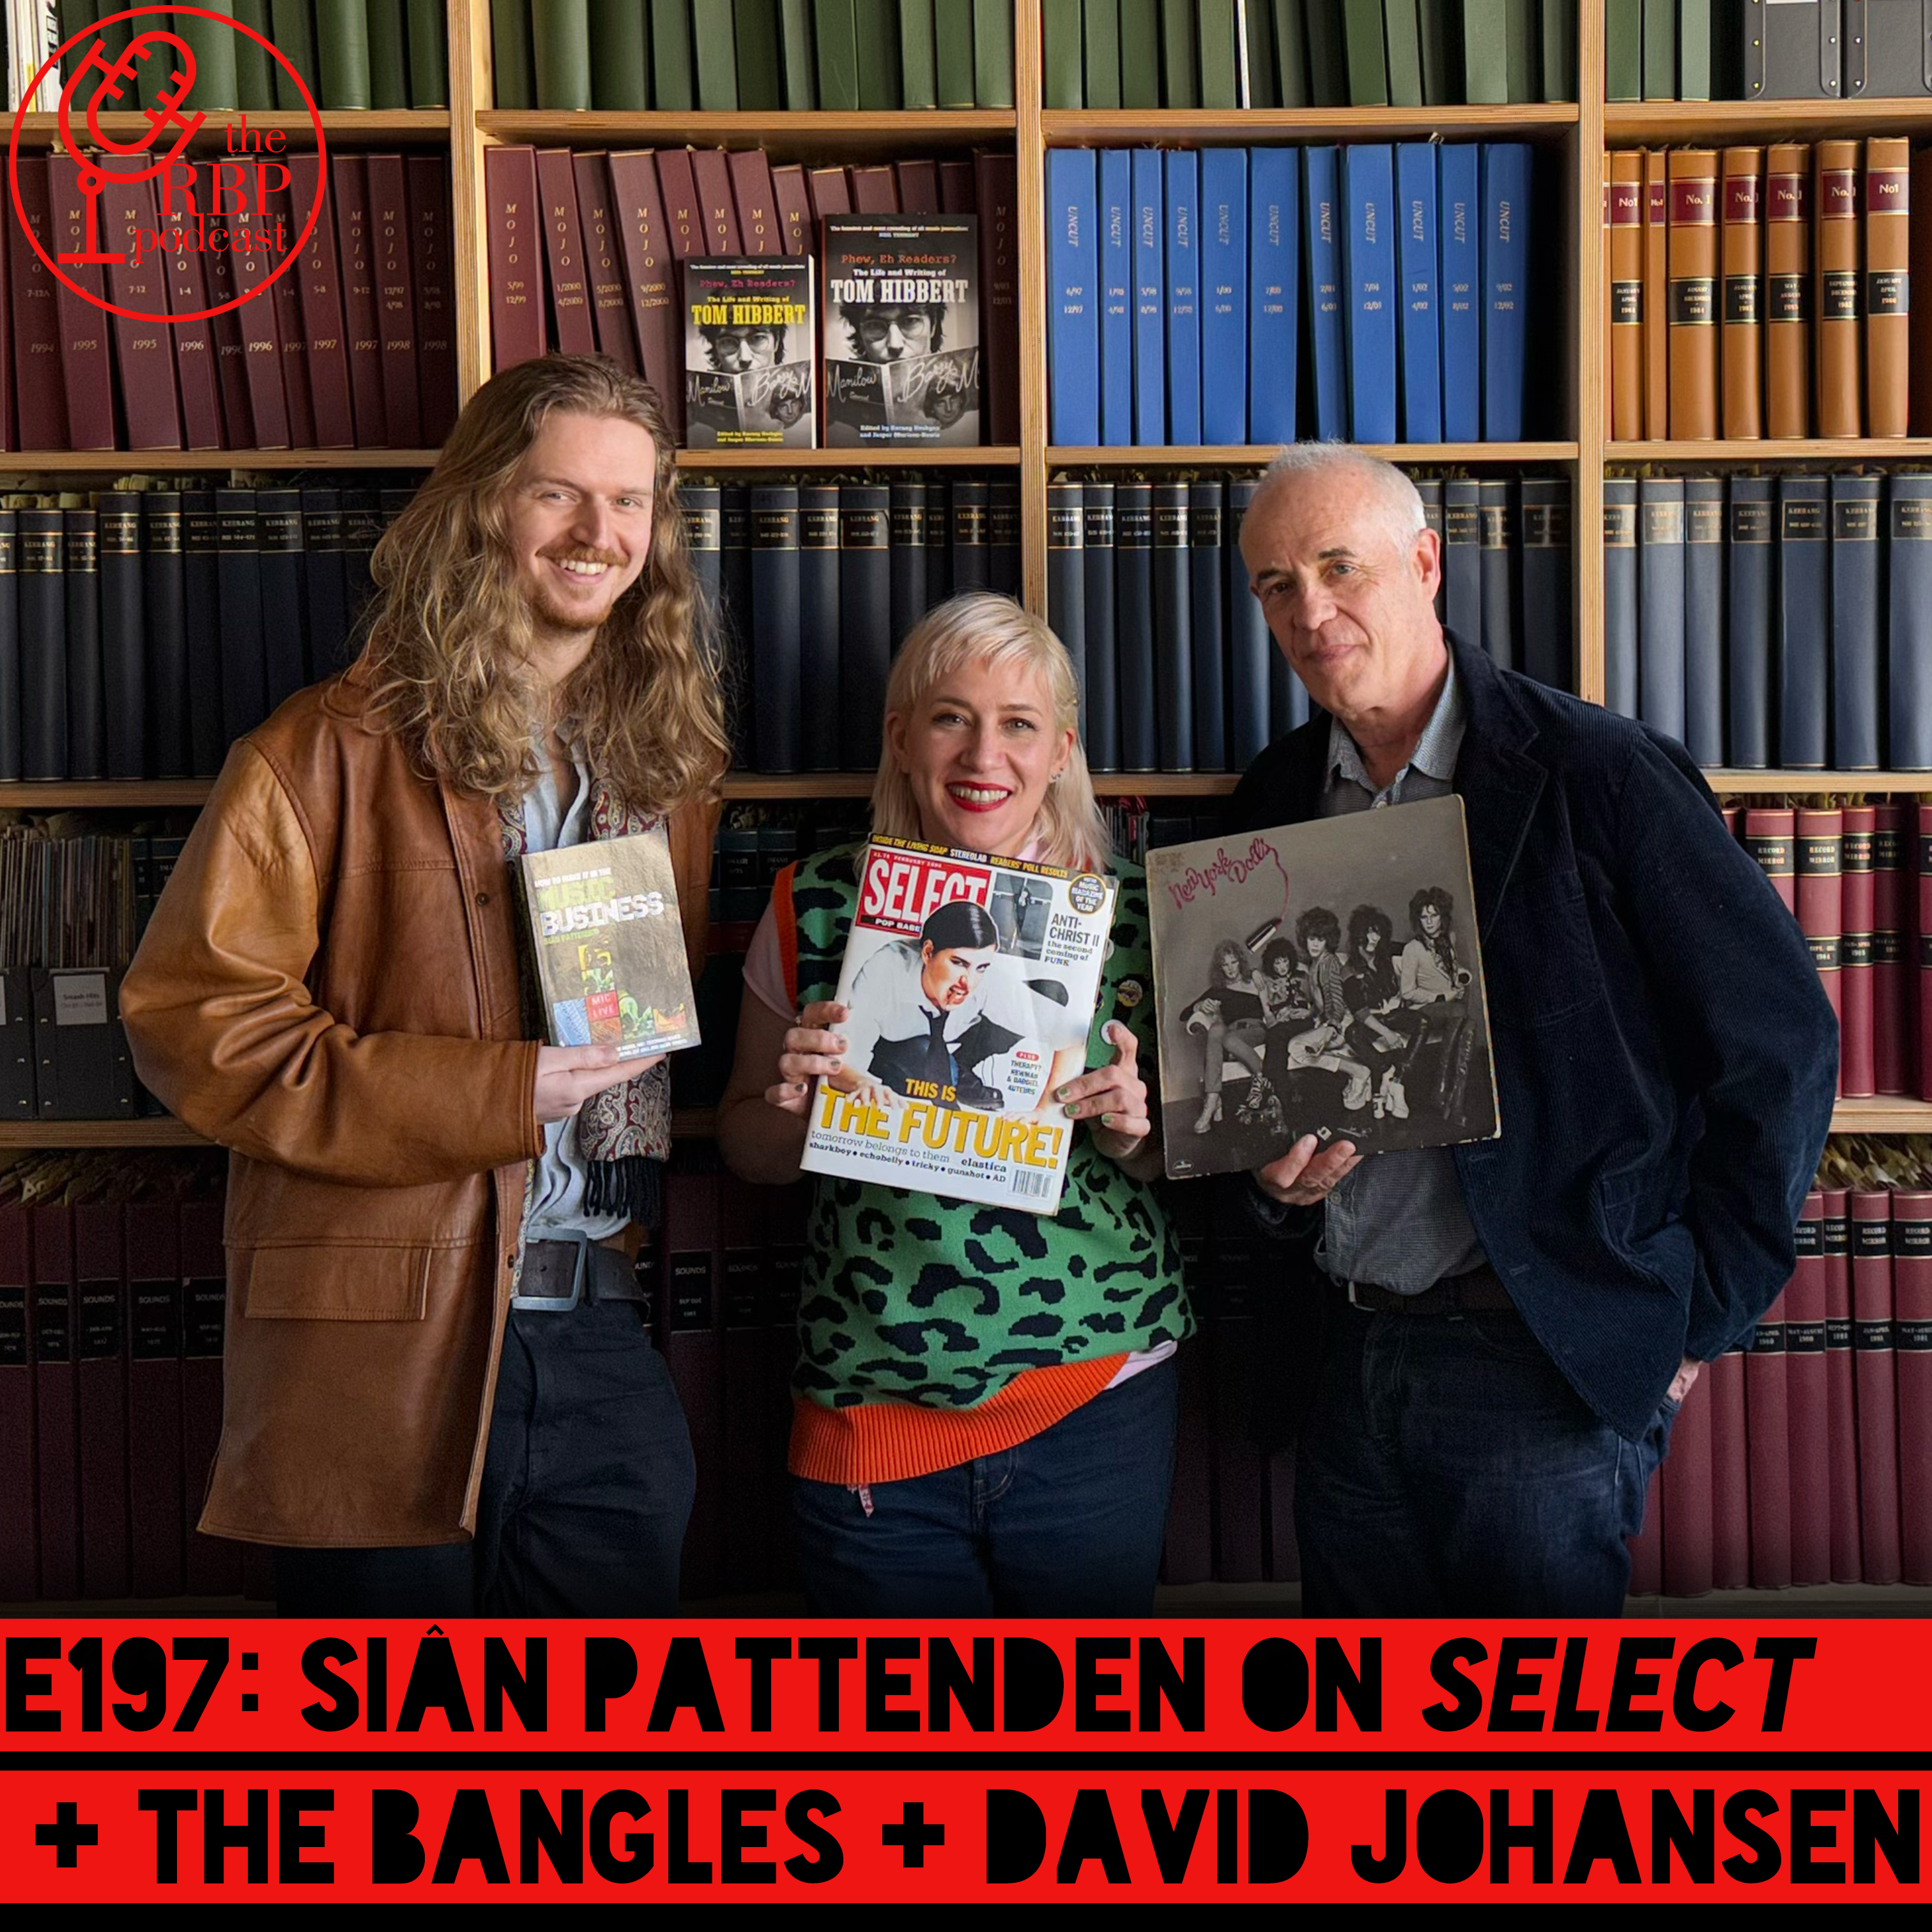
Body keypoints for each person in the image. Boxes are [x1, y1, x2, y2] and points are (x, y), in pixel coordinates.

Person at [118, 356, 730, 1617]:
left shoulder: (667, 767)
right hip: (378, 1341)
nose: (598, 533)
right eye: (558, 493)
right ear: (482, 505)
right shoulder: (320, 749)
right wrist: (499, 1093)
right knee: (395, 1733)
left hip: (597, 1320)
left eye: (628, 502)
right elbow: (195, 1027)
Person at [1230, 443, 1837, 1616]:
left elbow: (1782, 1045)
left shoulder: (1597, 771)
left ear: (1424, 563)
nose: (1309, 610)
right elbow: (1251, 1076)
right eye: (1275, 583)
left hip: (1541, 1362)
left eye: (1340, 567)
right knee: (1356, 1721)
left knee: (1538, 1732)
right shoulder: (1274, 799)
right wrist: (1267, 1188)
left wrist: (1691, 1322)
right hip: (1341, 1355)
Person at [716, 592, 1190, 1616]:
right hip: (871, 1408)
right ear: (902, 738)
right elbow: (746, 1146)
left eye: (1018, 724)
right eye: (950, 719)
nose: (984, 756)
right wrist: (796, 1109)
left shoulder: (1140, 914)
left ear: (1060, 752)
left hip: (1094, 1397)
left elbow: (1173, 1163)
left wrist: (1136, 1132)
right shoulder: (815, 902)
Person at [831, 898, 1087, 1112]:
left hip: (953, 1042)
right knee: (921, 1053)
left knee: (1051, 992)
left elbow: (1073, 1037)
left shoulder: (983, 981)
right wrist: (863, 1083)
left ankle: (959, 1069)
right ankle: (949, 1074)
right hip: (894, 1050)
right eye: (959, 963)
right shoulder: (886, 969)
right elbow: (842, 1061)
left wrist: (1044, 1111)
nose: (968, 983)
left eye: (981, 967)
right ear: (928, 952)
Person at [1185, 937, 1271, 1133]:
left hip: (1255, 1030)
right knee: (1217, 1030)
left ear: (1240, 961)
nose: (1231, 969)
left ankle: (1261, 1074)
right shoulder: (1219, 990)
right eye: (1225, 965)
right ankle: (1212, 1100)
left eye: (1234, 962)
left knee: (1229, 1038)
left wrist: (1256, 972)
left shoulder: (1253, 981)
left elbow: (1268, 1006)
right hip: (1231, 1034)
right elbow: (1185, 1014)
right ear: (1220, 968)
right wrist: (1200, 1005)